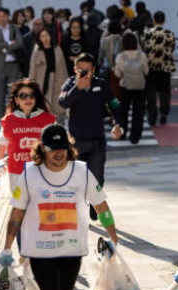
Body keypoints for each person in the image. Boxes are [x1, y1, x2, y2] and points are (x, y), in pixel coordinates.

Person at [1, 123, 118, 290]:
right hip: (41, 251)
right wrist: (6, 246)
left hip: (71, 249)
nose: (59, 153)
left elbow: (101, 204)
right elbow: (17, 212)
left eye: (63, 148)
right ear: (42, 149)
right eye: (53, 149)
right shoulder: (29, 174)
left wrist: (113, 236)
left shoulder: (82, 172)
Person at [59, 53, 122, 220]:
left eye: (88, 71)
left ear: (93, 69)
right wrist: (77, 88)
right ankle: (79, 211)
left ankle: (95, 207)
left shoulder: (101, 85)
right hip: (76, 142)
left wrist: (118, 124)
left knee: (97, 177)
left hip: (97, 141)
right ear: (75, 69)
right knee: (76, 181)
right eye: (81, 71)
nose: (85, 74)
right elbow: (63, 102)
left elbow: (115, 105)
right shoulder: (70, 84)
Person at [0, 79, 56, 192]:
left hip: (42, 172)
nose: (28, 99)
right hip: (16, 172)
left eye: (31, 95)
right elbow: (2, 142)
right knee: (19, 205)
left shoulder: (48, 119)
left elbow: (56, 144)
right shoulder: (8, 120)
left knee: (39, 206)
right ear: (17, 100)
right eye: (23, 96)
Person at [141, 10, 175, 126]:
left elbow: (143, 48)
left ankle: (152, 117)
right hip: (165, 67)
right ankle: (164, 114)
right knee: (165, 92)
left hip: (150, 67)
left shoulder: (146, 33)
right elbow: (172, 48)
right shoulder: (170, 33)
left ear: (154, 20)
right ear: (164, 20)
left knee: (151, 93)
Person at [114, 32, 148, 144]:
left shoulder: (121, 56)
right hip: (139, 87)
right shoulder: (141, 55)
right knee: (138, 112)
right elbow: (146, 71)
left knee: (123, 111)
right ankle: (135, 137)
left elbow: (118, 74)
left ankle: (123, 134)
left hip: (125, 86)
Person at [29, 29, 68, 123]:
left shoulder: (57, 49)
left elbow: (63, 67)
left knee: (58, 107)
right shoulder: (37, 51)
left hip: (58, 79)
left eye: (46, 35)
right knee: (44, 107)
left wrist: (67, 82)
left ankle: (59, 130)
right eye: (42, 36)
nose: (45, 38)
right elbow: (32, 69)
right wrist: (30, 85)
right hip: (42, 81)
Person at [0, 7, 23, 118]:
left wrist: (4, 48)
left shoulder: (14, 28)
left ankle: (14, 117)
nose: (2, 19)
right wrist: (9, 43)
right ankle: (2, 118)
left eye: (4, 16)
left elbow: (19, 43)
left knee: (13, 93)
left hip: (13, 64)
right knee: (0, 94)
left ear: (8, 17)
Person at [98, 20, 123, 97]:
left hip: (106, 69)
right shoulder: (122, 40)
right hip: (119, 70)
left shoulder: (105, 40)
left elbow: (101, 56)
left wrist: (100, 63)